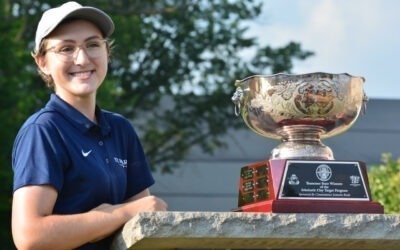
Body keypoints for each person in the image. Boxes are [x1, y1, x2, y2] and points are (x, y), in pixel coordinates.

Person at [11, 2, 168, 249]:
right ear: (43, 63)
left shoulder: (120, 129)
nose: (82, 59)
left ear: (107, 52)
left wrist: (133, 213)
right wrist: (117, 214)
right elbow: (30, 237)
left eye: (93, 45)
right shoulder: (43, 131)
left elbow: (145, 219)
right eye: (66, 48)